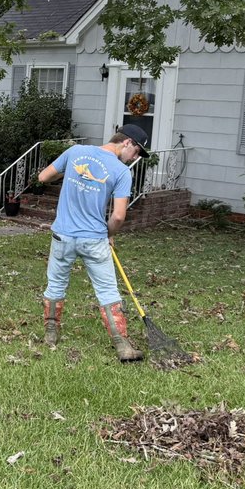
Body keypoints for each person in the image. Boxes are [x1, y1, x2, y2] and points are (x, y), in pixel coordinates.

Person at [36, 124, 150, 362]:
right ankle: (122, 345)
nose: (135, 158)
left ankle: (50, 334)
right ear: (127, 142)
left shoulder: (75, 152)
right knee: (107, 290)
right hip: (94, 239)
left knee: (56, 283)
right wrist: (109, 233)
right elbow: (118, 216)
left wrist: (66, 173)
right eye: (137, 151)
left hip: (63, 235)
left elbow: (44, 177)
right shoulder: (120, 172)